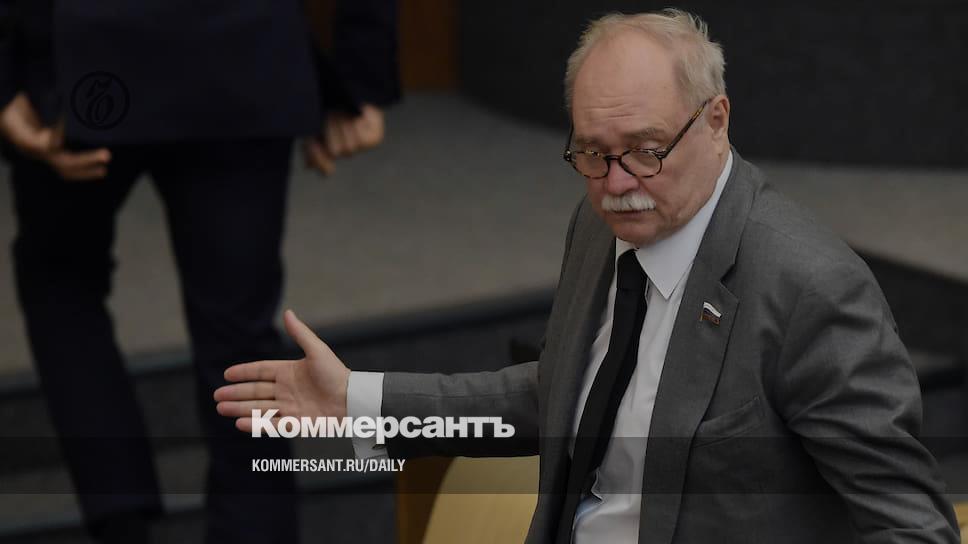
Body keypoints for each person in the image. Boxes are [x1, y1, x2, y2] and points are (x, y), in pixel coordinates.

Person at [214, 9, 960, 543]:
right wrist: (361, 403)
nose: (617, 184)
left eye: (645, 150)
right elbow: (564, 394)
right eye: (592, 153)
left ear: (717, 120)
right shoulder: (601, 222)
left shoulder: (811, 290)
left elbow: (912, 527)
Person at [0, 1, 399, 543]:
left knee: (61, 288)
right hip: (241, 53)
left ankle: (120, 522)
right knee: (239, 333)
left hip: (84, 56)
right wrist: (360, 76)